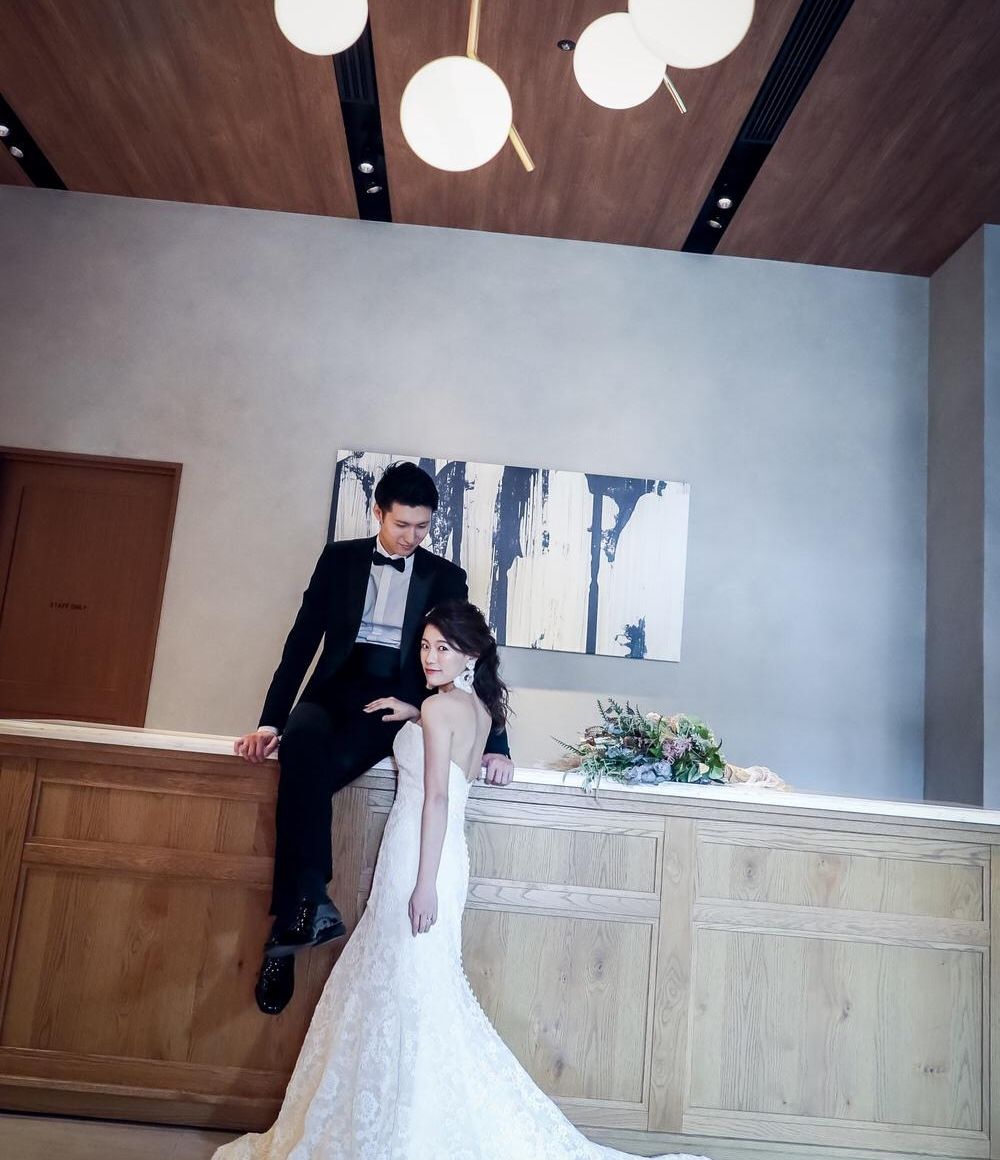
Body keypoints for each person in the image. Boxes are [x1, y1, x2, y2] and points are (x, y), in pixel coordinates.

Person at [214, 601, 708, 1160]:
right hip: (448, 857)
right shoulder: (477, 712)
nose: (429, 658)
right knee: (410, 986)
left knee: (404, 986)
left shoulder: (439, 710)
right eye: (425, 646)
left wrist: (423, 883)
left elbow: (437, 798)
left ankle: (400, 1134)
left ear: (470, 655)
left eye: (443, 648)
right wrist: (414, 712)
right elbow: (446, 759)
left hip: (419, 857)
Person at [234, 462, 513, 1015]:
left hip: (388, 705)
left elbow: (474, 651)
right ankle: (306, 903)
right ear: (378, 512)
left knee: (306, 778)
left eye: (422, 527)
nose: (411, 537)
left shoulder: (446, 576)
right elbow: (300, 643)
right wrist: (269, 723)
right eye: (401, 524)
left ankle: (289, 928)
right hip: (330, 691)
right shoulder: (338, 560)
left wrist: (495, 743)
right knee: (300, 746)